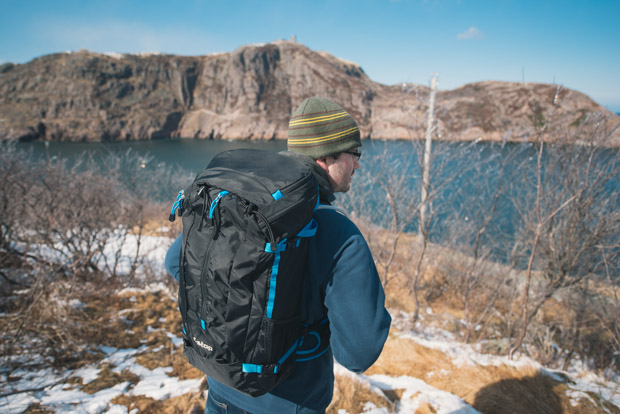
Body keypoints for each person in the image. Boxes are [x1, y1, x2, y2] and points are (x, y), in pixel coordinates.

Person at [165, 97, 391, 414]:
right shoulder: (338, 232)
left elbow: (176, 262)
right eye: (355, 154)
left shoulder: (244, 201)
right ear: (327, 156)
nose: (358, 164)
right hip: (290, 403)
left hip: (221, 388)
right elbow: (359, 352)